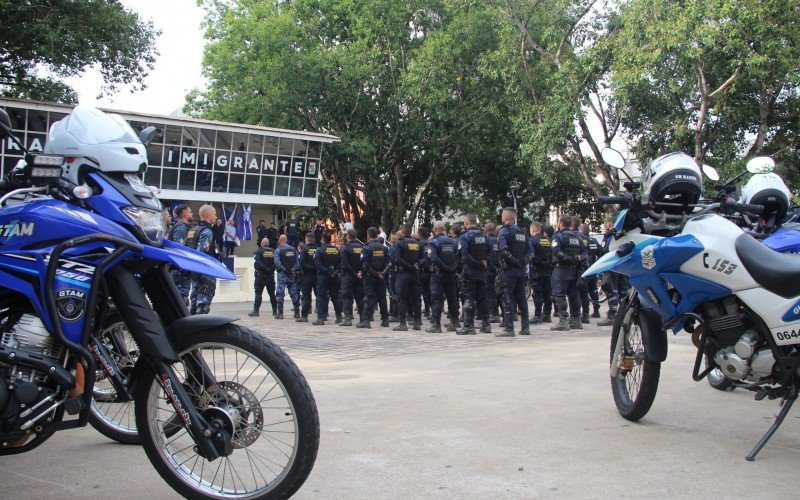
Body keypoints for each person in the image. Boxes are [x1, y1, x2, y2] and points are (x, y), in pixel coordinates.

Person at [497, 207, 531, 336]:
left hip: (509, 270)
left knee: (508, 298)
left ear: (504, 218)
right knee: (521, 298)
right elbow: (530, 251)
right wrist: (524, 261)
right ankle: (525, 328)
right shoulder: (522, 232)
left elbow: (503, 250)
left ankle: (509, 329)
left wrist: (514, 261)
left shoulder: (503, 232)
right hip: (521, 270)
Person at [550, 215, 588, 331]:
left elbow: (556, 251)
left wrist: (568, 258)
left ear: (560, 223)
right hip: (575, 270)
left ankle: (563, 321)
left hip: (561, 269)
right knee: (574, 294)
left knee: (560, 294)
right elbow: (585, 253)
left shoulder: (557, 236)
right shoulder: (578, 237)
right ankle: (576, 320)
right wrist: (576, 259)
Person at [457, 214, 492, 335]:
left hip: (470, 272)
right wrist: (483, 263)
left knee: (469, 298)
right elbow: (490, 253)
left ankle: (468, 326)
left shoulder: (465, 237)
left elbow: (464, 256)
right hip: (482, 272)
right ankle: (486, 325)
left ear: (467, 223)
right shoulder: (485, 237)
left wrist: (476, 263)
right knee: (483, 298)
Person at [425, 221, 459, 333]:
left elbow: (433, 258)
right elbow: (456, 255)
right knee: (452, 298)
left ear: (435, 229)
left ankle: (436, 325)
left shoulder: (434, 241)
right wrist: (451, 267)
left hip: (438, 274)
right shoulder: (452, 240)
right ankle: (454, 322)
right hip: (450, 273)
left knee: (437, 299)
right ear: (444, 229)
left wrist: (444, 267)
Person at [392, 223, 422, 331]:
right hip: (415, 274)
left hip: (403, 274)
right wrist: (416, 265)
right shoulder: (417, 243)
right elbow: (423, 258)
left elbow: (397, 259)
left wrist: (409, 266)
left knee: (401, 299)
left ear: (402, 232)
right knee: (416, 299)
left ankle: (403, 324)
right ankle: (417, 323)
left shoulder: (399, 243)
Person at [359, 227, 391, 328]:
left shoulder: (366, 248)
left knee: (369, 297)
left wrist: (375, 274)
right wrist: (382, 273)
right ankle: (385, 320)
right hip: (382, 276)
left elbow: (365, 265)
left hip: (370, 277)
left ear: (368, 235)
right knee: (382, 298)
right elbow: (388, 262)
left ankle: (366, 321)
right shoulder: (384, 247)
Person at [191, 204, 218, 314]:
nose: (216, 217)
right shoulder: (207, 231)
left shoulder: (194, 230)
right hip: (204, 270)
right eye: (215, 214)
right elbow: (202, 252)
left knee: (194, 300)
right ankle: (199, 328)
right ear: (209, 215)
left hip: (194, 270)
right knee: (203, 304)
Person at [167, 204, 194, 305]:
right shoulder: (181, 228)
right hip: (179, 271)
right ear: (186, 214)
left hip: (181, 270)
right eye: (190, 212)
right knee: (179, 300)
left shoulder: (183, 227)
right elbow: (179, 249)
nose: (192, 214)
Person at [313, 232, 342, 325]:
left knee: (321, 297)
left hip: (323, 276)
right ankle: (339, 317)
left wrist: (326, 271)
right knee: (335, 296)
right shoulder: (337, 250)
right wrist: (335, 271)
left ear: (323, 239)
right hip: (334, 275)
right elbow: (341, 263)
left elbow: (317, 264)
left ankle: (321, 318)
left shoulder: (320, 250)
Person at [529, 221, 553, 324]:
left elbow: (531, 256)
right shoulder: (549, 240)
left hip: (537, 270)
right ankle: (547, 315)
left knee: (537, 294)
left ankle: (538, 316)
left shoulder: (532, 241)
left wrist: (540, 262)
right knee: (547, 293)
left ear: (533, 229)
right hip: (548, 270)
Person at [340, 229, 365, 326]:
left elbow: (345, 264)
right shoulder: (363, 247)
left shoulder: (345, 249)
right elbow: (365, 262)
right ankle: (362, 318)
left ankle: (348, 318)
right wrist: (360, 272)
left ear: (348, 237)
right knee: (360, 297)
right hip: (360, 276)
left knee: (347, 297)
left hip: (348, 275)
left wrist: (354, 273)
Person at [249, 237, 278, 317]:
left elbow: (258, 262)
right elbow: (276, 262)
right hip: (270, 275)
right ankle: (275, 311)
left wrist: (265, 268)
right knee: (272, 294)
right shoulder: (274, 251)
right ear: (268, 244)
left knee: (258, 293)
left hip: (260, 275)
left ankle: (256, 311)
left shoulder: (258, 251)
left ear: (262, 244)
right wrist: (270, 269)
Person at [274, 234, 301, 319]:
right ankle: (297, 312)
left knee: (280, 292)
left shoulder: (278, 250)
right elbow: (297, 261)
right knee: (293, 292)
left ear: (280, 240)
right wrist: (292, 269)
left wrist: (284, 269)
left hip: (282, 274)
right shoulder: (293, 249)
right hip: (291, 274)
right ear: (286, 240)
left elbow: (277, 262)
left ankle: (280, 313)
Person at [580, 223, 603, 320]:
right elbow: (600, 254)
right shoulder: (594, 240)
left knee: (584, 291)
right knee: (593, 290)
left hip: (585, 269)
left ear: (581, 231)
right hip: (594, 268)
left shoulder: (582, 240)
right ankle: (596, 311)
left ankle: (585, 312)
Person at [296, 233, 318, 322]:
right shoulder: (318, 249)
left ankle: (304, 316)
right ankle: (322, 315)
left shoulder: (304, 249)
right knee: (320, 296)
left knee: (306, 296)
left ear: (306, 239)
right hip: (317, 275)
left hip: (307, 275)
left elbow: (301, 263)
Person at [484, 222, 501, 323]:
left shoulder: (487, 240)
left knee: (490, 293)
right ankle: (504, 314)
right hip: (500, 269)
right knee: (501, 292)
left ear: (485, 230)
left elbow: (487, 256)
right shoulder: (499, 240)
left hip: (490, 270)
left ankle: (494, 314)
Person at [417, 226, 432, 319]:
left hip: (421, 271)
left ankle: (425, 310)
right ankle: (428, 310)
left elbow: (417, 257)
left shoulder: (419, 244)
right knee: (429, 291)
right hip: (430, 270)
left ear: (419, 234)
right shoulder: (430, 243)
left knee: (420, 292)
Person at [387, 233, 399, 322]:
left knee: (393, 292)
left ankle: (394, 313)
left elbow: (390, 260)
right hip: (401, 272)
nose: (390, 239)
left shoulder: (393, 248)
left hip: (394, 272)